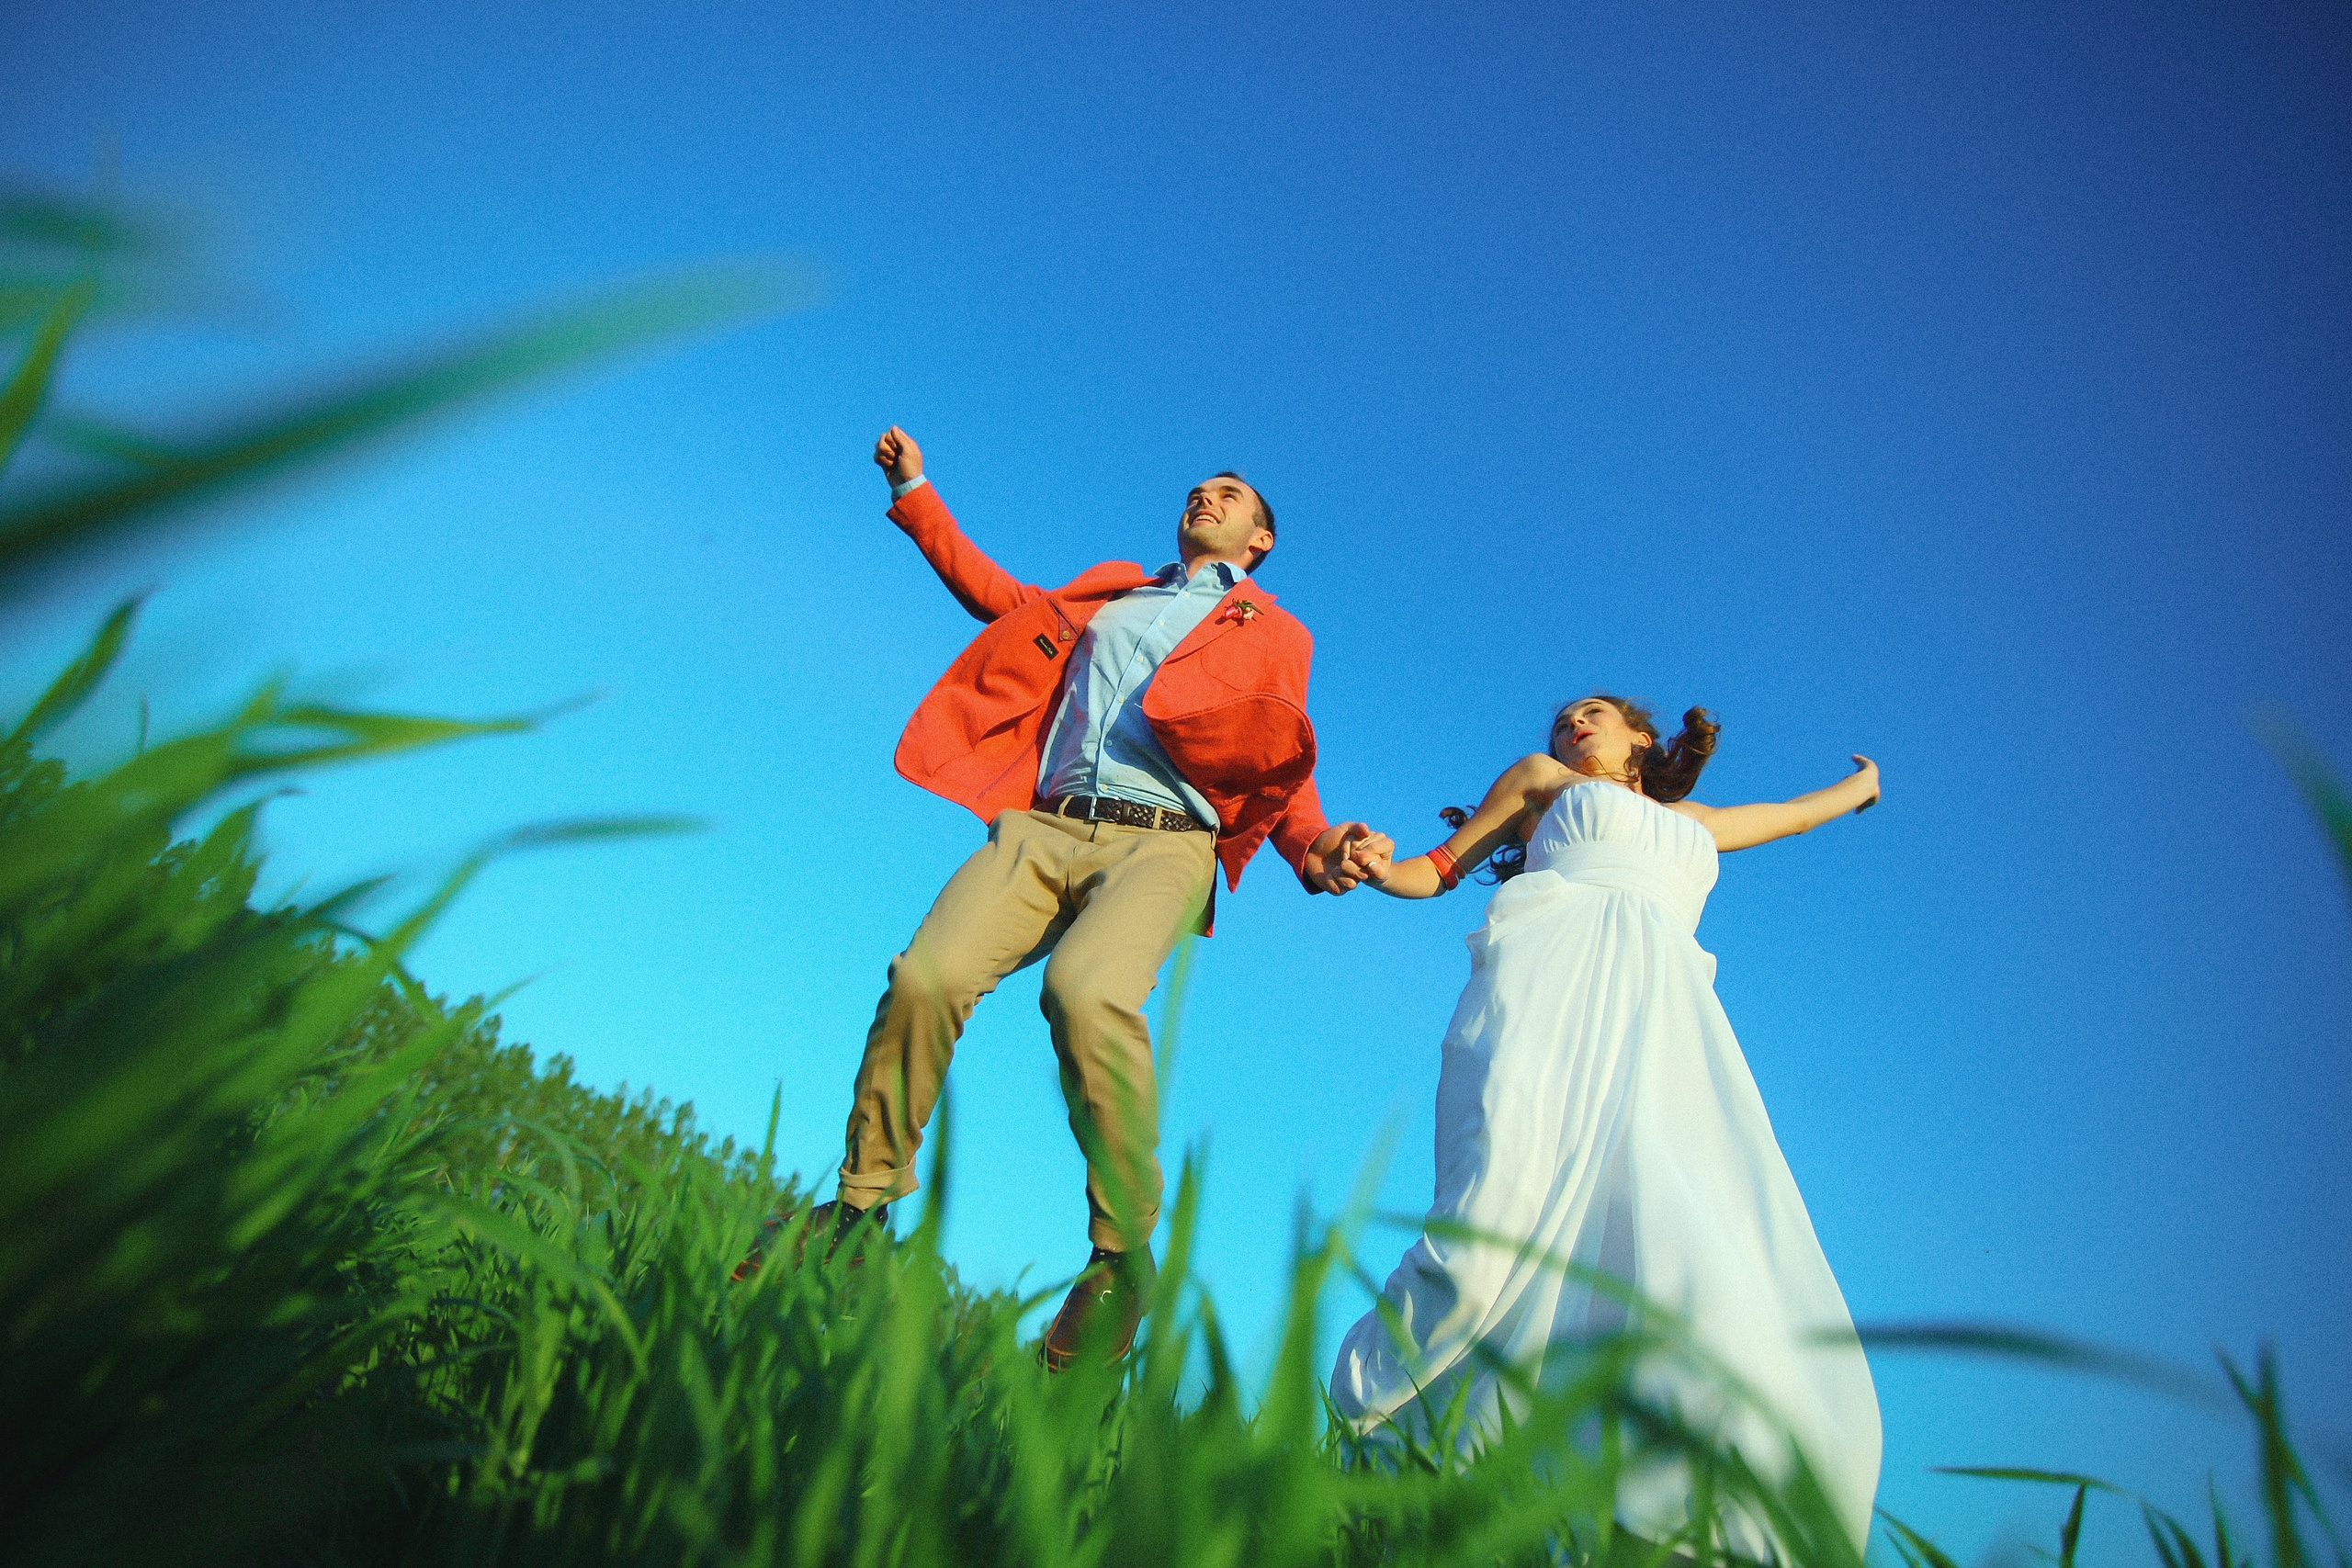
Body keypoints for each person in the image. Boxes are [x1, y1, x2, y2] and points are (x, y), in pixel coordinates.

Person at [739, 426, 1389, 1371]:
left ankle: (1120, 1260)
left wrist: (1318, 846)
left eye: (1230, 495)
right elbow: (1002, 603)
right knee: (926, 977)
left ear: (1260, 541)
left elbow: (1274, 753)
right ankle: (858, 1206)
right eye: (1200, 486)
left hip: (1165, 842)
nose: (1206, 497)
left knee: (1087, 994)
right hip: (1045, 825)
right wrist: (916, 490)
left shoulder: (1276, 631)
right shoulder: (1117, 588)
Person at [1329, 694, 1883, 1557]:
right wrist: (1374, 861)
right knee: (1492, 1211)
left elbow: (1788, 817)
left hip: (1665, 1027)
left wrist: (1860, 789)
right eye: (1560, 720)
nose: (1569, 726)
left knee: (1671, 1238)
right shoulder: (1542, 782)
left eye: (1590, 714)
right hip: (1546, 986)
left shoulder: (1693, 821)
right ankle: (1368, 1419)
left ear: (1642, 739)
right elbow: (1437, 869)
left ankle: (1649, 1503)